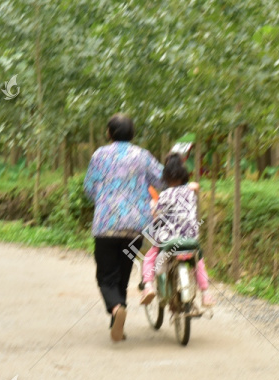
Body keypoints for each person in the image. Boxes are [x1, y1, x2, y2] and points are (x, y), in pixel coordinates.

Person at [84, 114, 164, 342]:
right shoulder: (142, 155)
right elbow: (161, 179)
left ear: (109, 133)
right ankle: (116, 322)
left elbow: (89, 188)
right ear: (132, 133)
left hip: (107, 226)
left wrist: (102, 199)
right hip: (135, 227)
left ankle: (116, 309)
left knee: (105, 276)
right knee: (123, 272)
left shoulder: (99, 155)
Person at [139, 153, 214, 307]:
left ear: (165, 178)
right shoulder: (190, 192)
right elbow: (195, 186)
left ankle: (147, 286)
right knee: (198, 262)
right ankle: (206, 293)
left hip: (168, 240)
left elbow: (156, 215)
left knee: (149, 258)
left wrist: (154, 210)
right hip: (190, 239)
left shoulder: (164, 195)